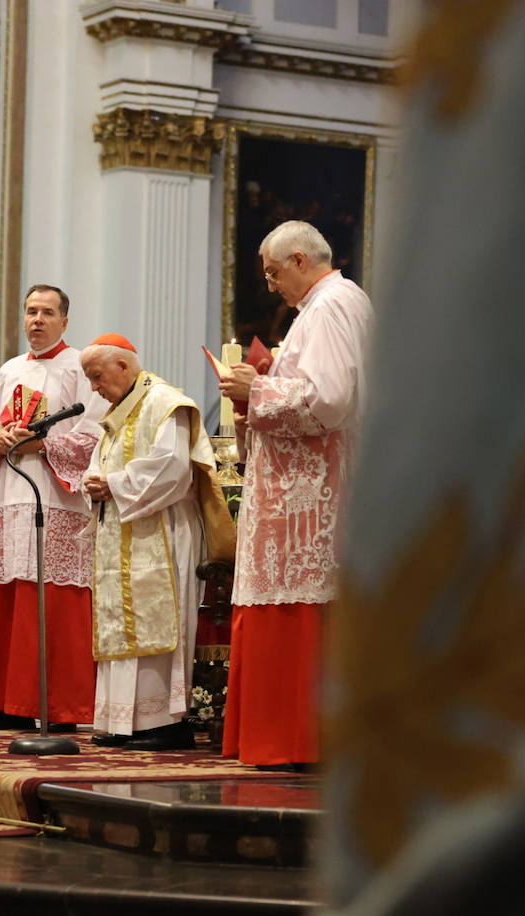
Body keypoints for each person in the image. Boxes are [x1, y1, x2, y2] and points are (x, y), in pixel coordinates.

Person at [218, 219, 373, 769]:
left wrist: (253, 387)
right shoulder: (336, 304)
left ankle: (291, 741)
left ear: (302, 260)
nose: (270, 284)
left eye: (274, 271)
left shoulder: (330, 306)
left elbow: (330, 400)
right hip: (304, 491)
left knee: (296, 610)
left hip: (306, 500)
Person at [80, 335, 236, 750]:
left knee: (157, 624)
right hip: (124, 528)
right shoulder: (118, 412)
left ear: (123, 368)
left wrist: (111, 484)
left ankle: (164, 724)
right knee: (121, 625)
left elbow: (172, 467)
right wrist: (95, 482)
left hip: (163, 531)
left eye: (97, 377)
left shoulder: (166, 404)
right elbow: (101, 463)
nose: (94, 388)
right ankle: (124, 723)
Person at [0, 284, 104, 730]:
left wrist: (41, 443)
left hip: (55, 497)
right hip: (10, 494)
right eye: (30, 312)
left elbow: (96, 432)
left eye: (46, 312)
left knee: (53, 600)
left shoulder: (79, 366)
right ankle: (5, 701)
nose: (37, 320)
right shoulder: (9, 370)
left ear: (65, 320)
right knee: (7, 596)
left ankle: (57, 706)